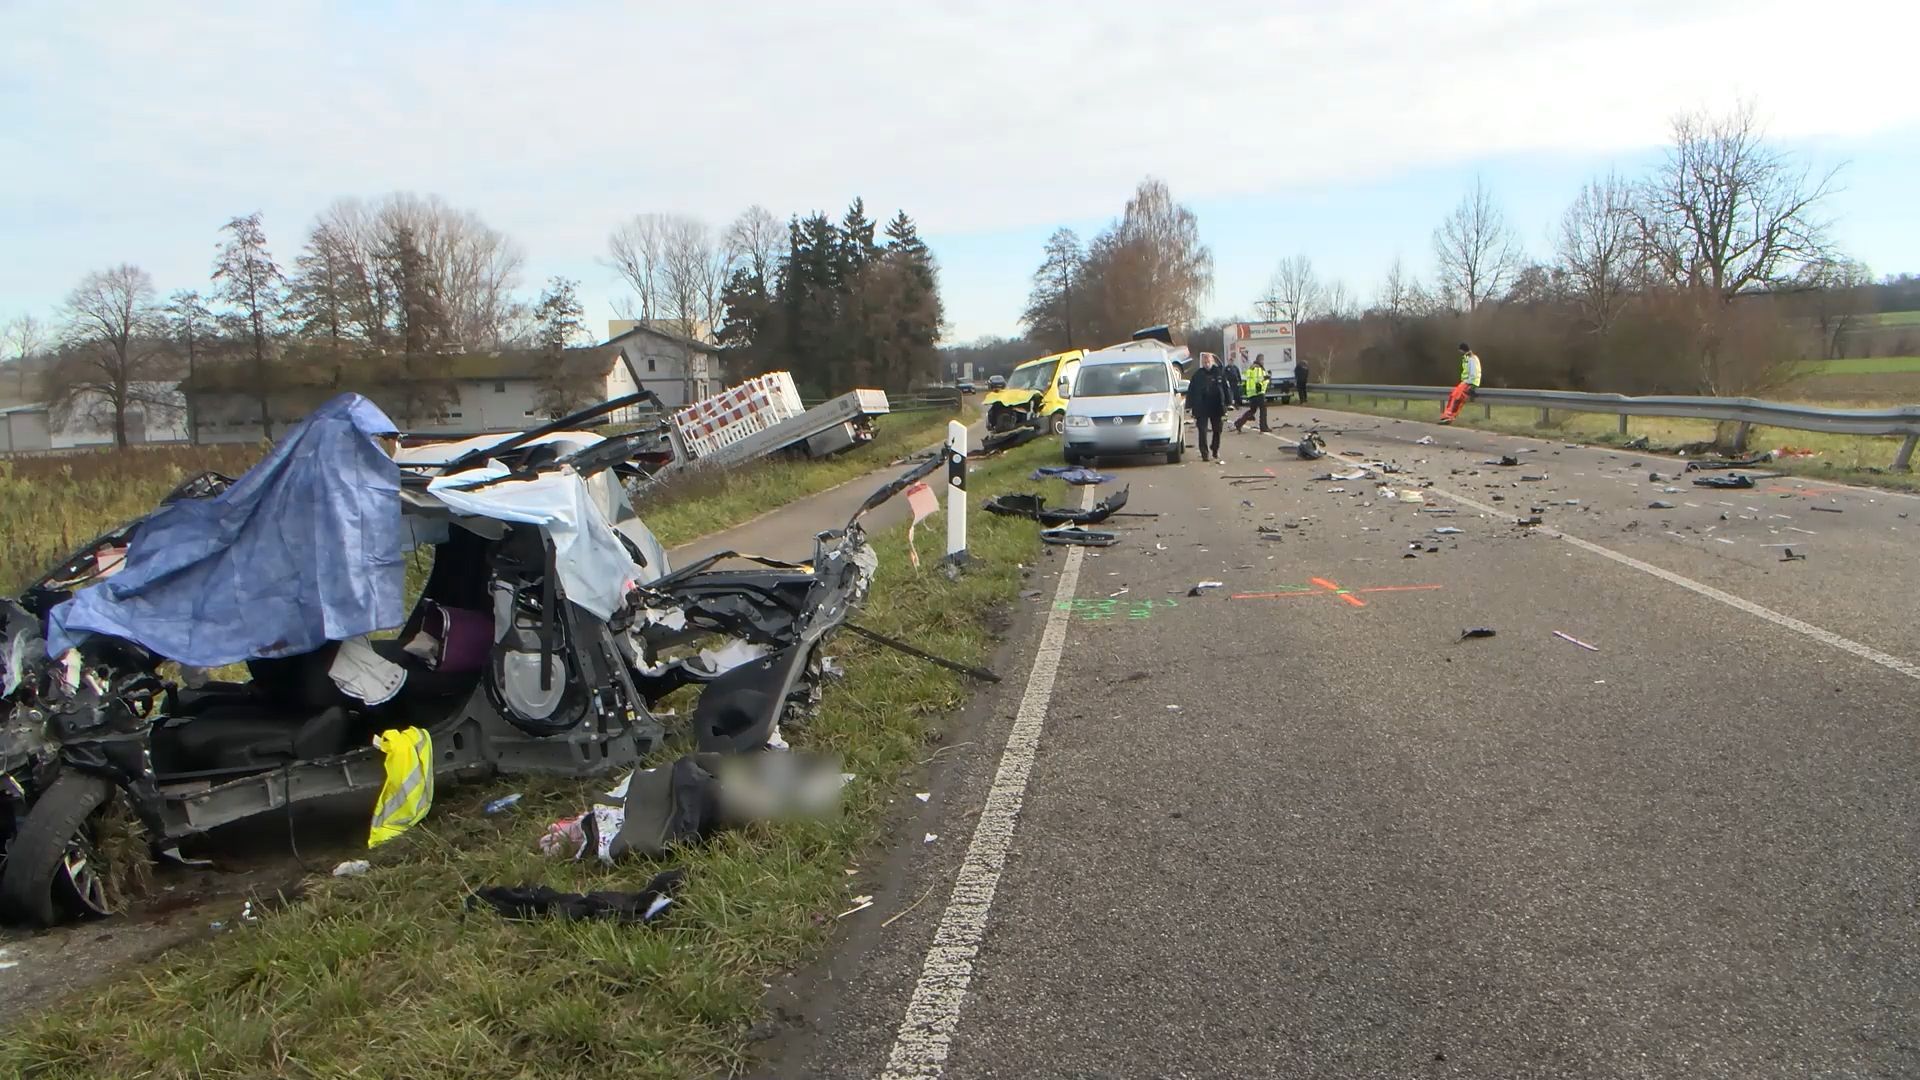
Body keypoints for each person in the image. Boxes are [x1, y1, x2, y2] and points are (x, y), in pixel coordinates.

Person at [1185, 351, 1231, 462]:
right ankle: (1204, 453)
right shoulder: (1197, 375)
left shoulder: (1219, 373)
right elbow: (1191, 391)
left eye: (1208, 361)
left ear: (1212, 362)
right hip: (1202, 407)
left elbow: (1226, 388)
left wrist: (1229, 402)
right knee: (1202, 430)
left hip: (1217, 406)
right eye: (1205, 362)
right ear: (1202, 363)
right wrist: (1189, 405)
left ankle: (1215, 449)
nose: (1207, 363)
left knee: (1217, 430)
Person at [1439, 342, 1482, 423]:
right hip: (1466, 382)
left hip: (1469, 382)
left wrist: (1471, 385)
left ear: (1463, 350)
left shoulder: (1472, 358)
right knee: (1453, 396)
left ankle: (1449, 417)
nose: (1459, 352)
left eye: (1460, 350)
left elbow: (1474, 372)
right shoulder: (1467, 357)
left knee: (1457, 398)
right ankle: (1447, 416)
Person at [1233, 356, 1271, 433]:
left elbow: (1250, 379)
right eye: (1262, 360)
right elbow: (1258, 379)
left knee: (1252, 410)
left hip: (1251, 393)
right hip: (1258, 392)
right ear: (1260, 360)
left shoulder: (1251, 368)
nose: (1263, 362)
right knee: (1263, 410)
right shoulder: (1258, 368)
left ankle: (1239, 423)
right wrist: (1266, 377)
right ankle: (1263, 427)